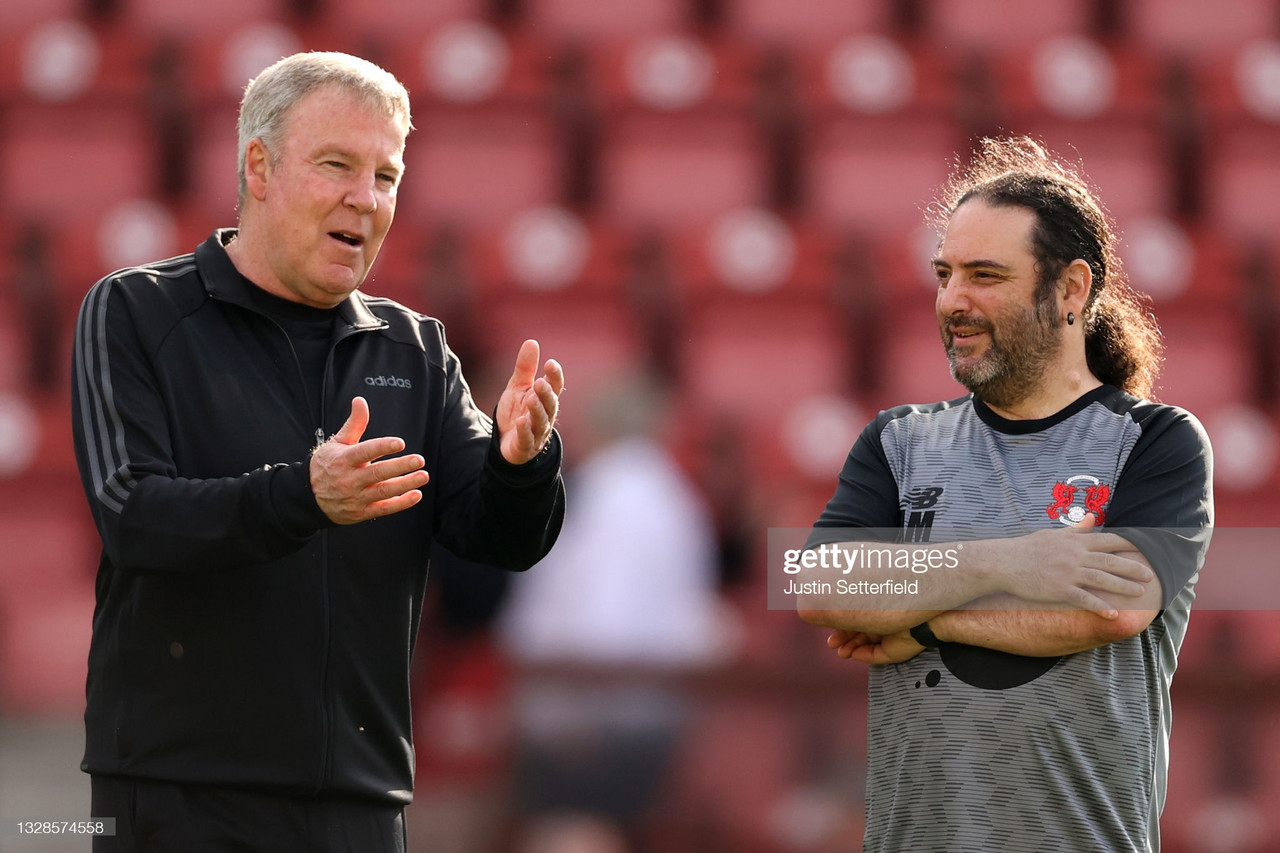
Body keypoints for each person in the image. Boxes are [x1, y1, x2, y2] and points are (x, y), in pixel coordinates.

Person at [70, 52, 566, 852]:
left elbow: (501, 542)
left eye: (386, 175)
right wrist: (301, 495)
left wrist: (521, 465)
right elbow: (134, 514)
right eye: (337, 164)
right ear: (259, 167)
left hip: (361, 808)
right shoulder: (135, 312)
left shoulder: (416, 348)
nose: (364, 199)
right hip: (178, 803)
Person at [797, 137, 1213, 852]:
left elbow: (1111, 604)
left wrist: (923, 623)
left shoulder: (1155, 441)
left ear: (1072, 289)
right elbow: (821, 582)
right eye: (944, 274)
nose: (954, 300)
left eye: (985, 275)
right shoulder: (898, 441)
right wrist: (1010, 565)